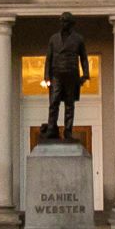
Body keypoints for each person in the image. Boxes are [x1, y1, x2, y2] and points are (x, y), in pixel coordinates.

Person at [42, 13, 90, 142]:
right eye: (62, 21)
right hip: (56, 74)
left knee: (69, 104)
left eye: (66, 22)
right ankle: (51, 129)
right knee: (54, 102)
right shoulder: (53, 39)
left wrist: (85, 74)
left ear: (71, 24)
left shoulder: (78, 39)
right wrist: (46, 76)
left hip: (71, 74)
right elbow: (49, 58)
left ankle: (68, 132)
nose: (64, 24)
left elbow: (84, 58)